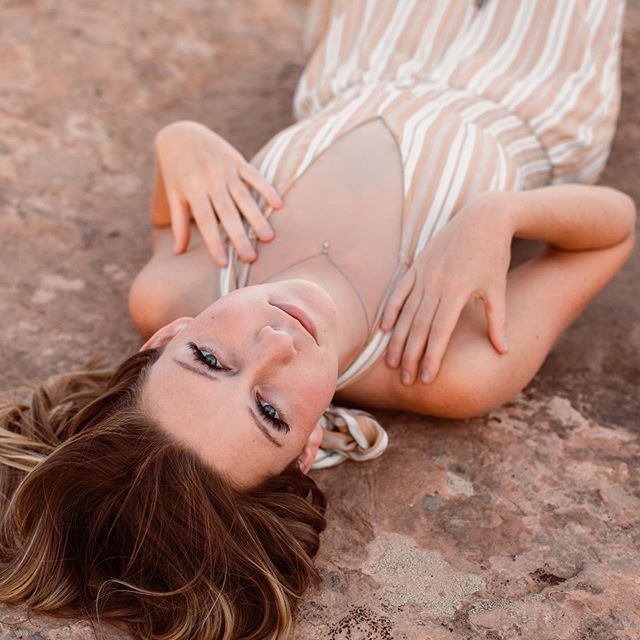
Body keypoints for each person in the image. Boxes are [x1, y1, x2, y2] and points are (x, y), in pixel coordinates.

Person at [0, 1, 635, 639]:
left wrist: (181, 140)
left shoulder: (176, 288)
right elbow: (612, 229)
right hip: (533, 87)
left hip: (366, 49)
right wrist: (503, 213)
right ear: (306, 451)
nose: (276, 343)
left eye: (211, 360)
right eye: (269, 411)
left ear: (166, 338)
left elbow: (176, 188)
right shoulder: (444, 368)